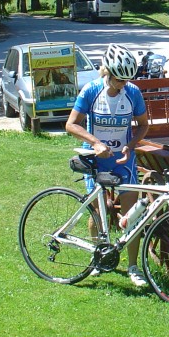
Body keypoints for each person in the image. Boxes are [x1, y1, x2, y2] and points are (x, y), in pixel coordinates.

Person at [66, 43, 150, 287]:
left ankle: (133, 267)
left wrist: (131, 145)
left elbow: (144, 124)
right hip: (97, 160)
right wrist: (94, 143)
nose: (122, 84)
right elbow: (72, 124)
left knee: (131, 215)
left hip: (123, 161)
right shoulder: (91, 90)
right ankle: (97, 258)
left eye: (126, 80)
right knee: (97, 211)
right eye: (118, 80)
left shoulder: (132, 92)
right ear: (108, 73)